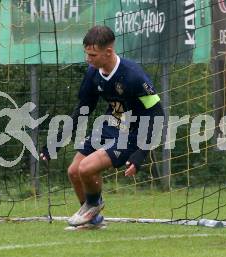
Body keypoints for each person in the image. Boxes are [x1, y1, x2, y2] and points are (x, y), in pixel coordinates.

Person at [40, 25, 164, 228]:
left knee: (86, 168)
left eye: (92, 54)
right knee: (74, 172)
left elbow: (157, 114)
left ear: (108, 52)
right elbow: (82, 110)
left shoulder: (133, 76)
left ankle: (93, 205)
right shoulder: (93, 73)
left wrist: (142, 153)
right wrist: (55, 143)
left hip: (131, 133)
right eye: (87, 54)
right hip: (110, 126)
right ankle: (93, 219)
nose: (88, 59)